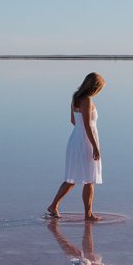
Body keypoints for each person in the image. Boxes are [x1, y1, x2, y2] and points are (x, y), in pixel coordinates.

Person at [46, 72, 105, 221]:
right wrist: (95, 147)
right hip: (85, 140)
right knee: (89, 179)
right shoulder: (87, 100)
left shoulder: (75, 98)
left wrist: (82, 133)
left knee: (72, 178)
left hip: (76, 139)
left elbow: (73, 121)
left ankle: (54, 206)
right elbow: (87, 125)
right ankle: (88, 214)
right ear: (94, 87)